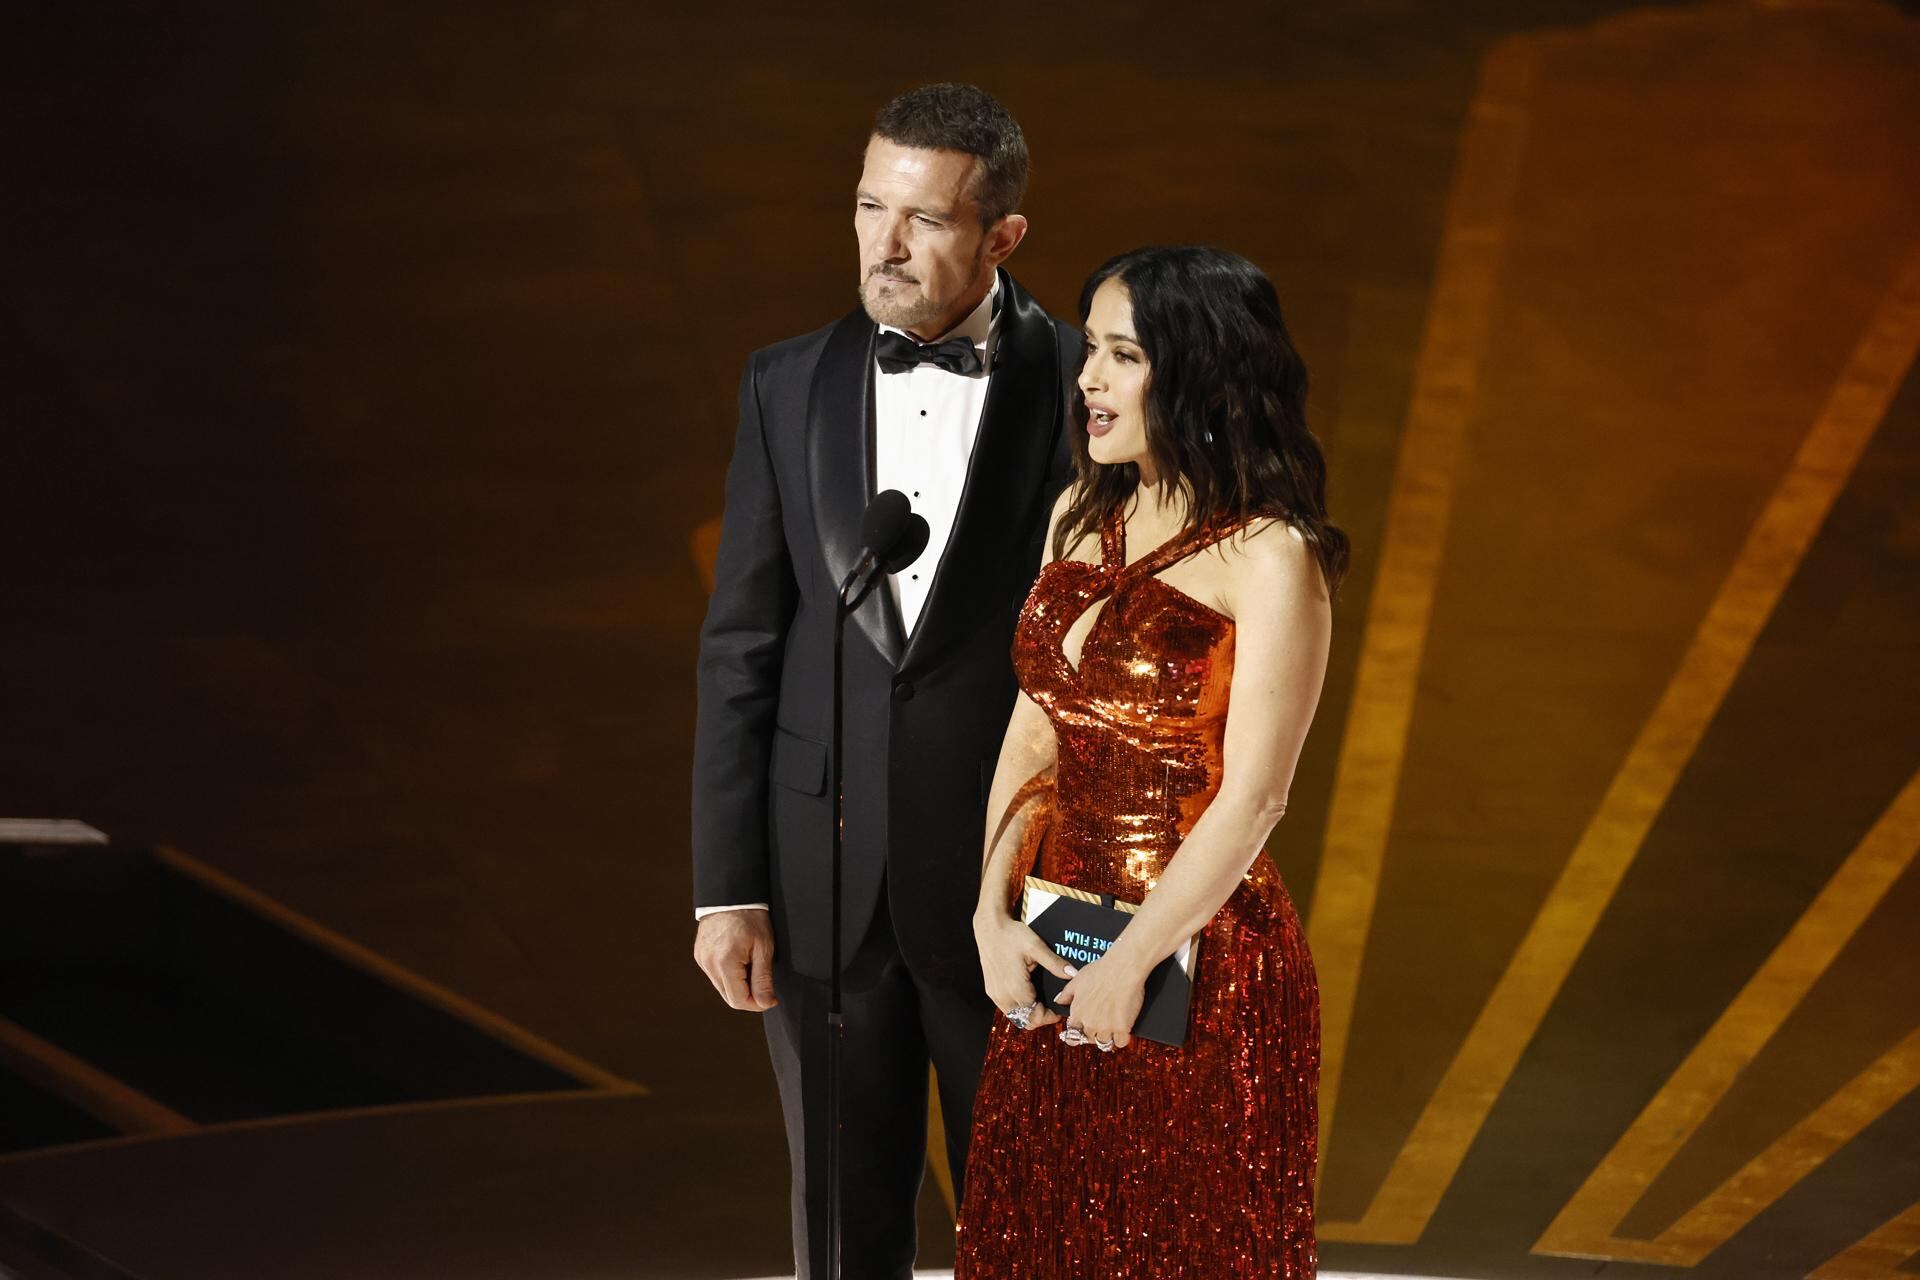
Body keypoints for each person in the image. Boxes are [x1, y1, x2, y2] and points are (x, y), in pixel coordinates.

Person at [689, 84, 1077, 1279]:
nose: (884, 244)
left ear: (1003, 236)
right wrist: (727, 885)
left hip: (1011, 892)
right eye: (869, 206)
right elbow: (744, 641)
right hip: (820, 886)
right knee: (840, 1224)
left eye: (925, 220)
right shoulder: (784, 383)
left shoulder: (1086, 389)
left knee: (1033, 1226)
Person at [955, 246, 1346, 1276]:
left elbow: (1257, 793)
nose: (1087, 378)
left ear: (1200, 372)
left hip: (1203, 963)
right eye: (1092, 347)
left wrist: (1129, 963)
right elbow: (1037, 729)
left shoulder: (1273, 553)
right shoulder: (1083, 517)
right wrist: (990, 913)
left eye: (1121, 354)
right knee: (1042, 1236)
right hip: (1055, 937)